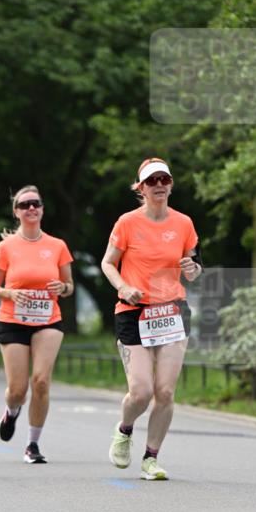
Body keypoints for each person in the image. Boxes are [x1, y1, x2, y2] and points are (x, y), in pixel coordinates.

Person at [101, 157, 202, 480]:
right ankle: (124, 429)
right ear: (140, 188)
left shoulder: (184, 223)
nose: (159, 185)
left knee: (166, 392)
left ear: (171, 185)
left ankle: (150, 459)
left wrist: (193, 269)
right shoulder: (127, 223)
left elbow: (195, 267)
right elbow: (107, 263)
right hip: (133, 312)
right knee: (141, 391)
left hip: (172, 312)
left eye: (164, 180)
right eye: (152, 181)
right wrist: (123, 286)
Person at [0, 185, 74, 464]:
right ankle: (11, 412)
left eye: (36, 203)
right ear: (16, 212)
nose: (31, 208)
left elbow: (69, 286)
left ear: (43, 209)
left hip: (48, 319)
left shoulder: (57, 246)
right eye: (25, 205)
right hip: (13, 320)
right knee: (18, 390)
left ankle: (32, 444)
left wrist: (63, 286)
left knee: (42, 381)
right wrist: (9, 293)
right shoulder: (6, 247)